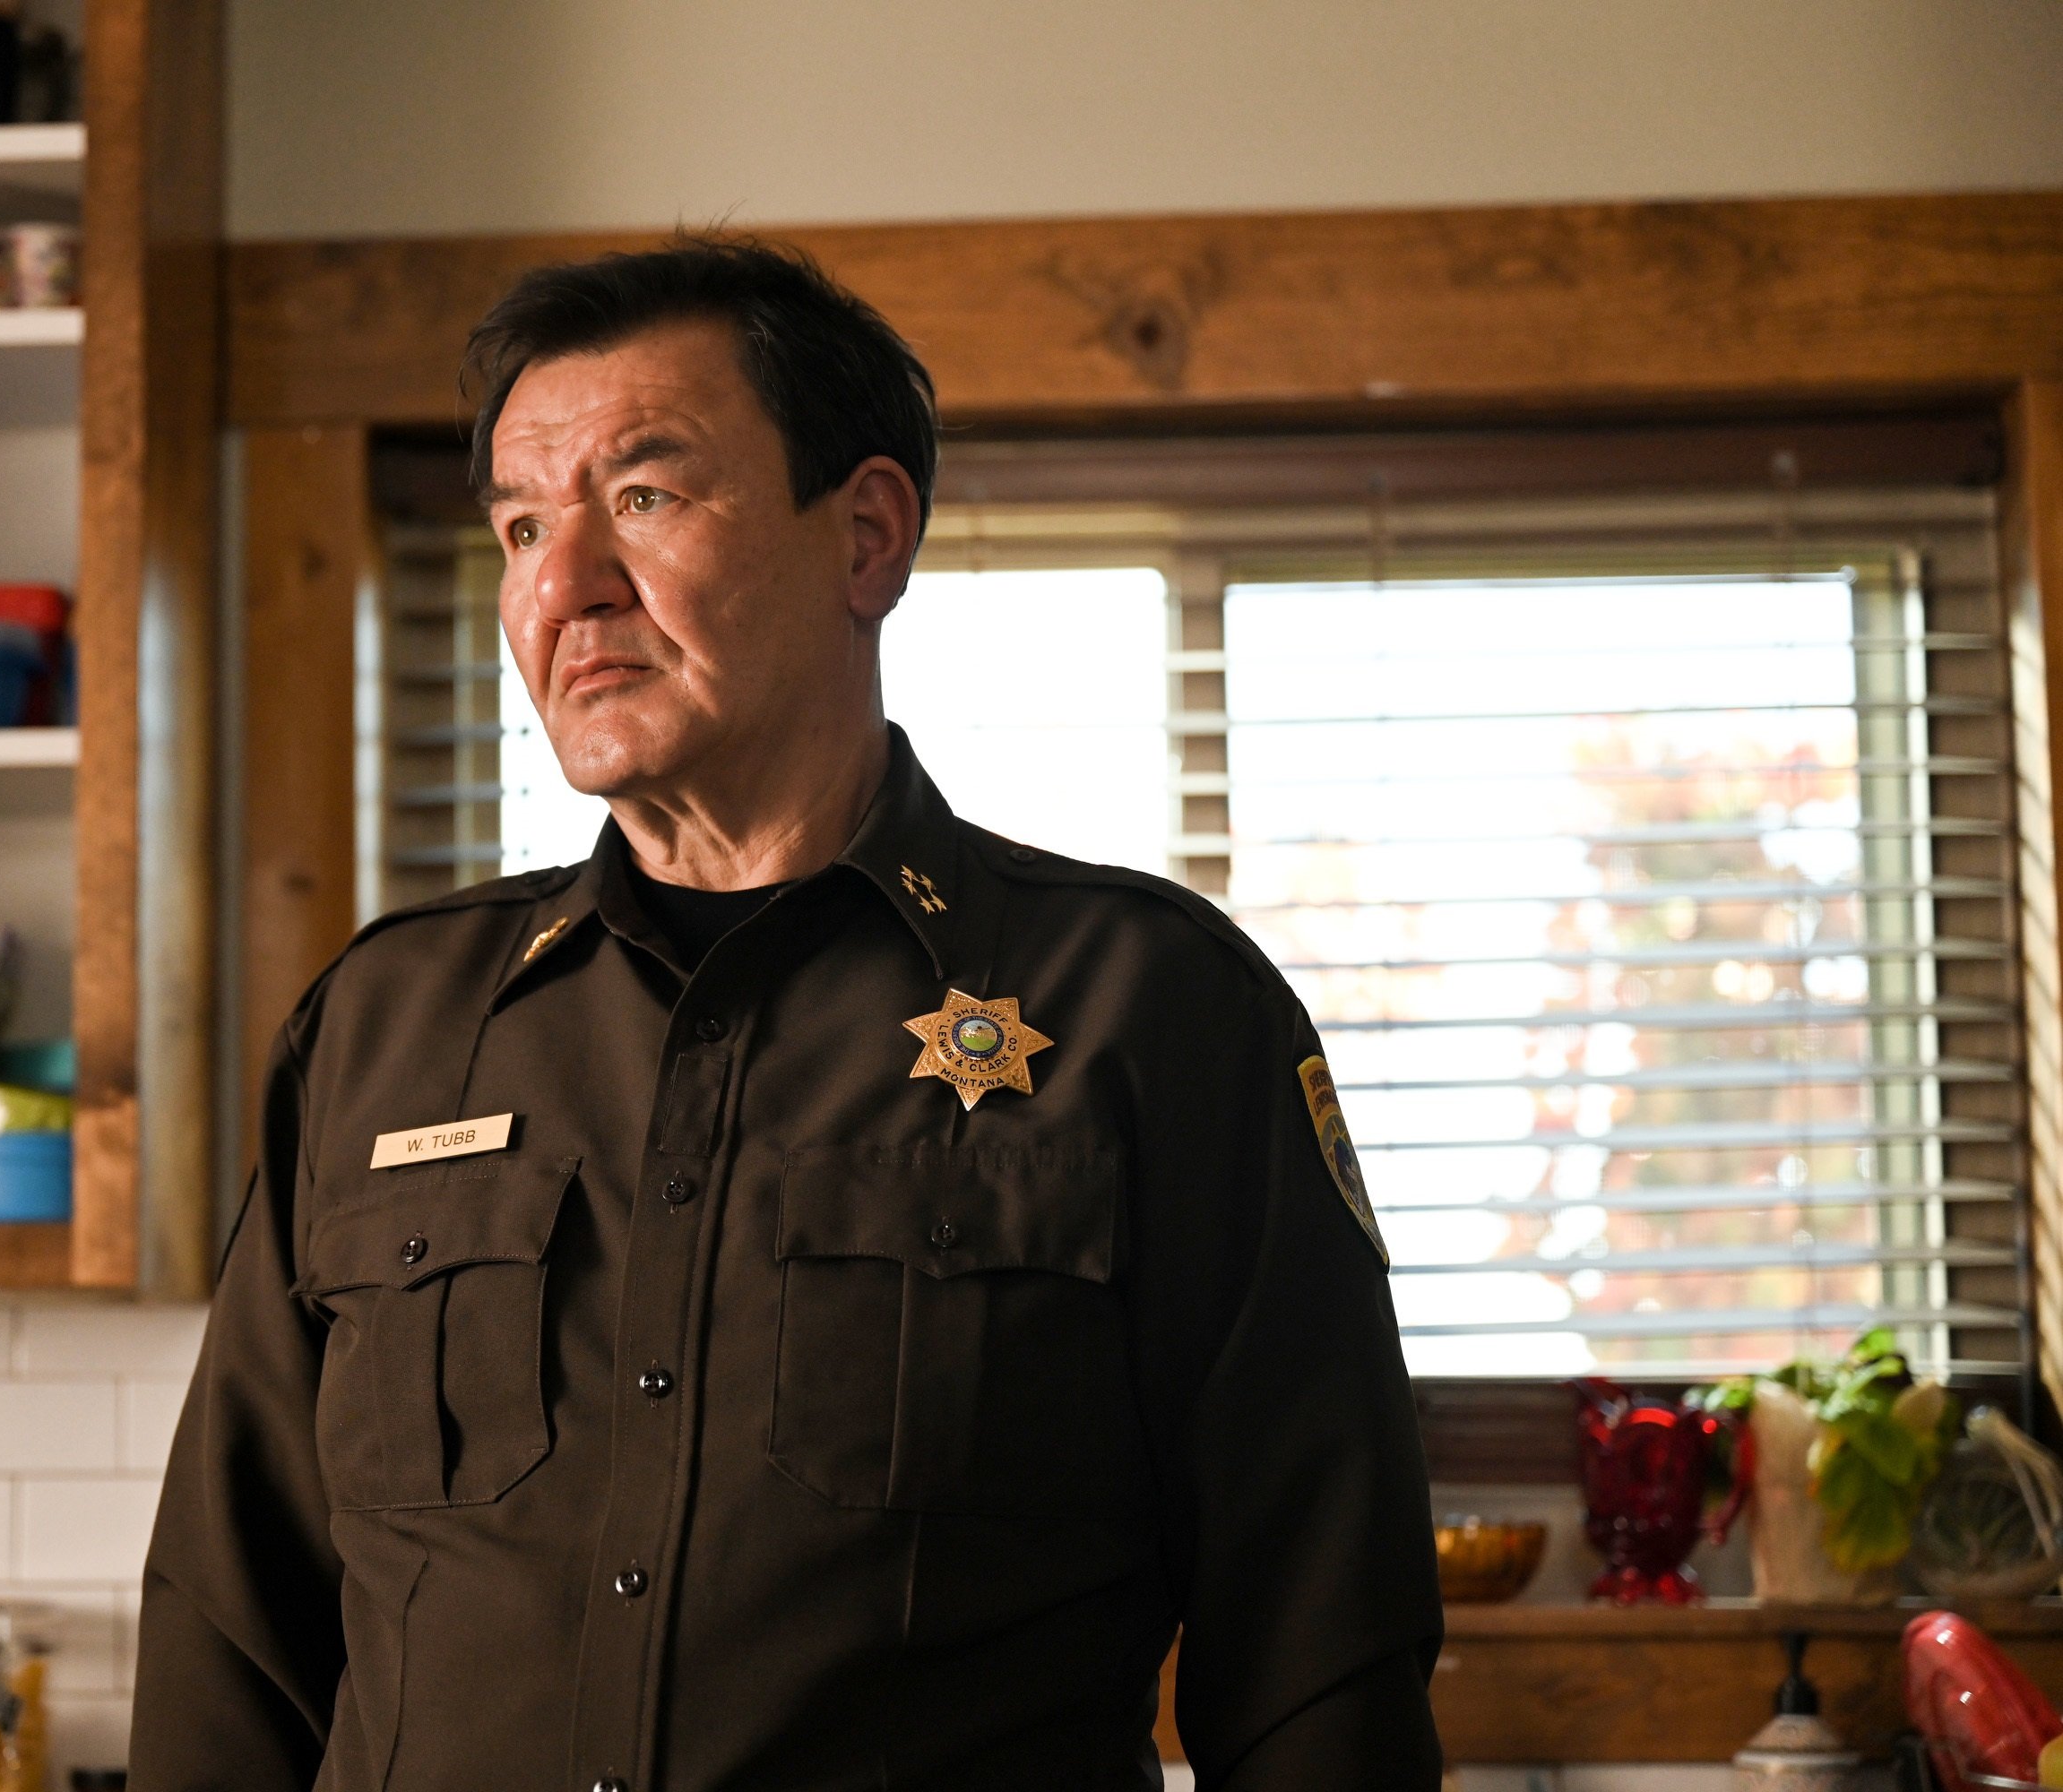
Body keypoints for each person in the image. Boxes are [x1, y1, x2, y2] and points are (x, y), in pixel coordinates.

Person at [131, 235, 1444, 1792]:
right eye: (522, 524)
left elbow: (1322, 1674)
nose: (563, 586)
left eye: (643, 498)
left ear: (867, 539)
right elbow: (231, 1643)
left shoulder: (1153, 1012)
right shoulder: (383, 1027)